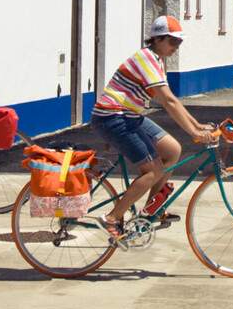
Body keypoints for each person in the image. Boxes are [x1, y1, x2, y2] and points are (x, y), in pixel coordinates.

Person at [92, 15, 216, 236]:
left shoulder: (156, 60)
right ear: (157, 39)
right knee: (154, 170)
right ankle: (111, 218)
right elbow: (167, 101)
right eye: (173, 41)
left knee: (173, 150)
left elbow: (172, 99)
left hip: (130, 115)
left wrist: (197, 125)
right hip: (112, 117)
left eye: (179, 42)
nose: (176, 47)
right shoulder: (146, 58)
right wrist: (194, 133)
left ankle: (152, 211)